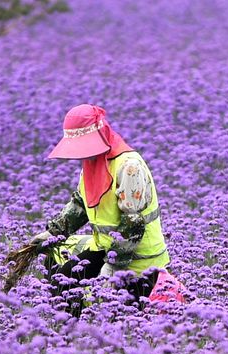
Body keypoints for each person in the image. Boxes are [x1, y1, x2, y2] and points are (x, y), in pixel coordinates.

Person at [39, 104, 169, 309]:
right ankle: (69, 335)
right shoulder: (92, 164)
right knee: (64, 281)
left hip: (140, 258)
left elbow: (133, 223)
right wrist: (51, 234)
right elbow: (80, 205)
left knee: (124, 311)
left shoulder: (129, 166)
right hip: (105, 248)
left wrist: (111, 268)